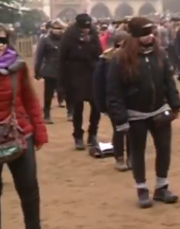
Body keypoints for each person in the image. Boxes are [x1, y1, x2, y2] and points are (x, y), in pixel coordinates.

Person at [106, 17, 180, 208]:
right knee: (138, 153)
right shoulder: (120, 58)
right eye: (145, 34)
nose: (150, 37)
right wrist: (120, 117)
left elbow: (168, 81)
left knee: (164, 149)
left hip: (159, 110)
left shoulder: (160, 54)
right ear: (135, 36)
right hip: (135, 113)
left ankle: (162, 187)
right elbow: (114, 91)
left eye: (151, 33)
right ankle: (142, 189)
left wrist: (175, 105)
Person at [0, 22, 48, 229]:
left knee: (29, 188)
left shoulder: (17, 66)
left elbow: (30, 99)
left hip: (20, 132)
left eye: (3, 41)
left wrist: (39, 131)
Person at [58, 13, 103, 150]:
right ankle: (78, 135)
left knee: (96, 106)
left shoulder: (93, 34)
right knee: (78, 107)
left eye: (88, 28)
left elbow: (99, 53)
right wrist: (61, 82)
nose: (86, 30)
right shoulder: (69, 36)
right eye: (83, 28)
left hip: (92, 74)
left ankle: (93, 133)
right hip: (75, 75)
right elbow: (62, 59)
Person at [93, 30, 131, 171]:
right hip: (113, 101)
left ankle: (131, 157)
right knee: (119, 129)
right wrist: (102, 105)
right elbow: (98, 85)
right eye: (120, 46)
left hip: (132, 100)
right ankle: (119, 157)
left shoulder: (133, 58)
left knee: (133, 131)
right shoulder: (105, 60)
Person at [34, 19, 66, 124]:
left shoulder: (66, 39)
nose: (58, 31)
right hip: (50, 69)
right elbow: (39, 55)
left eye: (60, 29)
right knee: (49, 93)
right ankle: (46, 113)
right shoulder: (45, 39)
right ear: (51, 29)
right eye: (56, 29)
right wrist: (37, 70)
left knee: (66, 91)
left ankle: (71, 111)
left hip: (63, 69)